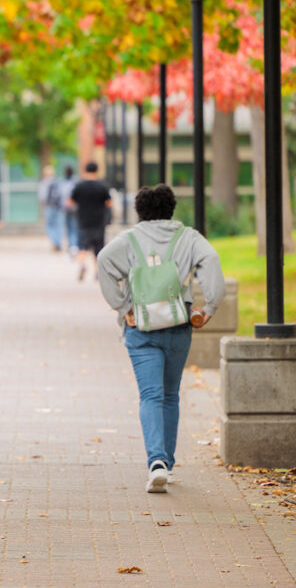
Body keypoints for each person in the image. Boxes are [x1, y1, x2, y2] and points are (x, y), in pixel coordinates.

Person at [96, 184, 224, 493]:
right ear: (171, 209)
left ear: (139, 211)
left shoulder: (128, 241)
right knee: (170, 395)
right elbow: (212, 262)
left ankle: (155, 463)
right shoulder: (189, 237)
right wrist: (210, 307)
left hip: (141, 326)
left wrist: (123, 306)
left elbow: (103, 262)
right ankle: (166, 462)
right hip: (178, 324)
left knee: (150, 395)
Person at [69, 161, 112, 281]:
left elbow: (70, 202)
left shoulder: (79, 186)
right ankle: (97, 272)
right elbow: (109, 203)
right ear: (96, 171)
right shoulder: (102, 186)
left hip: (83, 221)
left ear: (85, 170)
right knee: (98, 247)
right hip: (99, 221)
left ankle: (82, 265)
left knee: (82, 246)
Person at [38, 165, 62, 251]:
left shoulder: (43, 183)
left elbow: (42, 197)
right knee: (58, 225)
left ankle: (55, 242)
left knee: (49, 226)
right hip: (58, 207)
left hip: (48, 207)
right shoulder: (57, 183)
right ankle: (58, 242)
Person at [58, 165, 79, 255]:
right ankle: (73, 246)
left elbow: (59, 197)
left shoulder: (62, 183)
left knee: (69, 228)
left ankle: (72, 246)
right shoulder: (75, 183)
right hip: (74, 209)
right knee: (74, 228)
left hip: (66, 209)